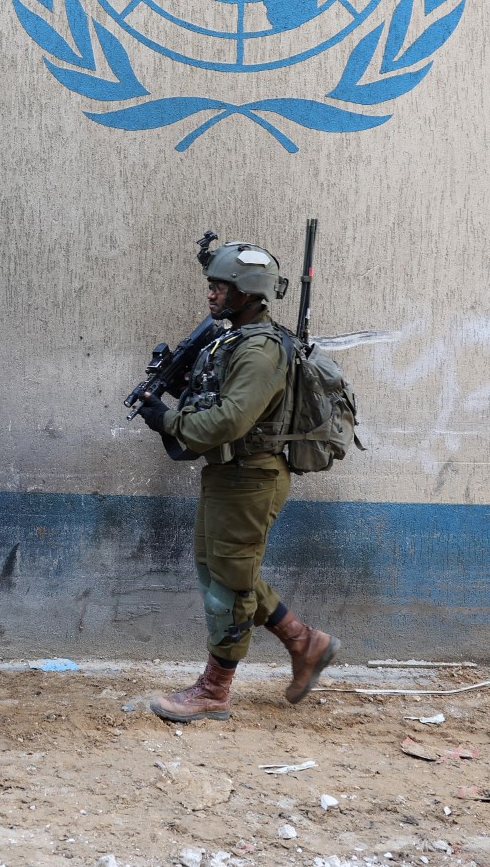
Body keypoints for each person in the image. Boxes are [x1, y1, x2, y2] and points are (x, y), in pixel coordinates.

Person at [134, 236, 340, 721]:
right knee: (222, 573)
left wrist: (167, 419)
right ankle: (305, 643)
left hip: (252, 476)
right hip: (229, 474)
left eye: (220, 287)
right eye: (211, 286)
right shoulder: (235, 341)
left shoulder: (261, 350)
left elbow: (229, 421)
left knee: (229, 584)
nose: (212, 295)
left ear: (247, 292)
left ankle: (214, 690)